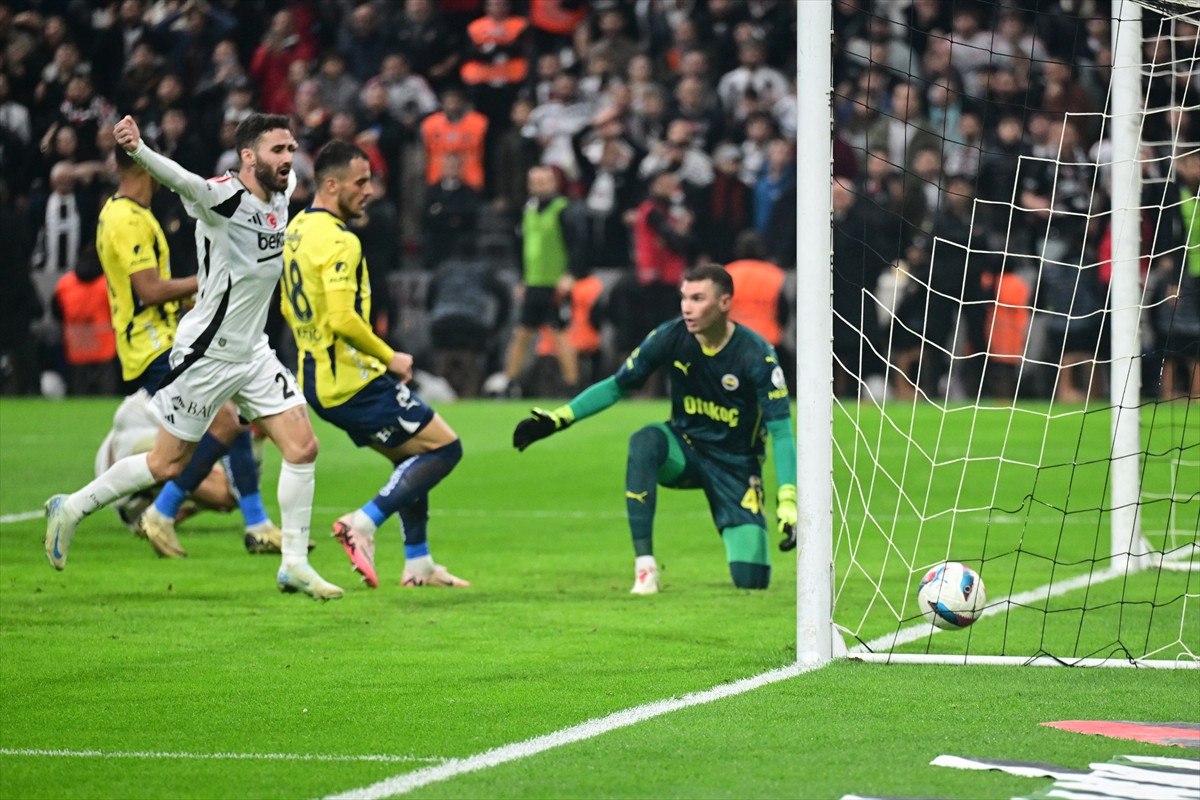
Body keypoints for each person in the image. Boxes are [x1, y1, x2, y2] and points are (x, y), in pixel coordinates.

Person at [44, 113, 341, 601]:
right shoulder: (222, 196)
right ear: (248, 157)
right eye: (278, 150)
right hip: (206, 355)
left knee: (303, 447)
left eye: (291, 148)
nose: (289, 158)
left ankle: (293, 564)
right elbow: (180, 178)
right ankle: (71, 507)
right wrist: (138, 149)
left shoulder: (283, 195)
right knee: (165, 464)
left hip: (254, 354)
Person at [513, 264, 798, 594]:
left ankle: (746, 545)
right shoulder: (670, 336)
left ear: (724, 303)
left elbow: (781, 431)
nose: (687, 307)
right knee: (646, 440)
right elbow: (618, 385)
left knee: (752, 580)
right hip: (686, 449)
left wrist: (788, 500)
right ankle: (645, 568)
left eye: (697, 299)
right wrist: (561, 418)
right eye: (684, 298)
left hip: (736, 465)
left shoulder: (757, 354)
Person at [282, 140, 468, 589]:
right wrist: (390, 356)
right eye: (360, 182)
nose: (369, 191)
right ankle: (362, 523)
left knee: (411, 456)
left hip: (317, 375)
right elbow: (342, 318)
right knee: (445, 449)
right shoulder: (340, 240)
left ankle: (418, 562)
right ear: (331, 185)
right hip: (352, 380)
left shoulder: (297, 228)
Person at [96, 146, 284, 555]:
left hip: (166, 340)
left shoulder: (132, 214)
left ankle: (255, 523)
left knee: (232, 418)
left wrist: (197, 300)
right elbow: (148, 291)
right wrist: (208, 280)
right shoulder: (126, 219)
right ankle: (159, 512)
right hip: (152, 347)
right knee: (225, 422)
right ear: (146, 169)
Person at [502, 165, 582, 395]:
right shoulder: (527, 211)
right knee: (522, 333)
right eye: (536, 181)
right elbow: (521, 249)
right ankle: (510, 383)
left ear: (554, 183)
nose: (540, 186)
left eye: (544, 181)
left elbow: (577, 244)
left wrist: (570, 274)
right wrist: (522, 279)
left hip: (555, 283)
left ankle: (572, 384)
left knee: (559, 334)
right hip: (534, 281)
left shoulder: (563, 210)